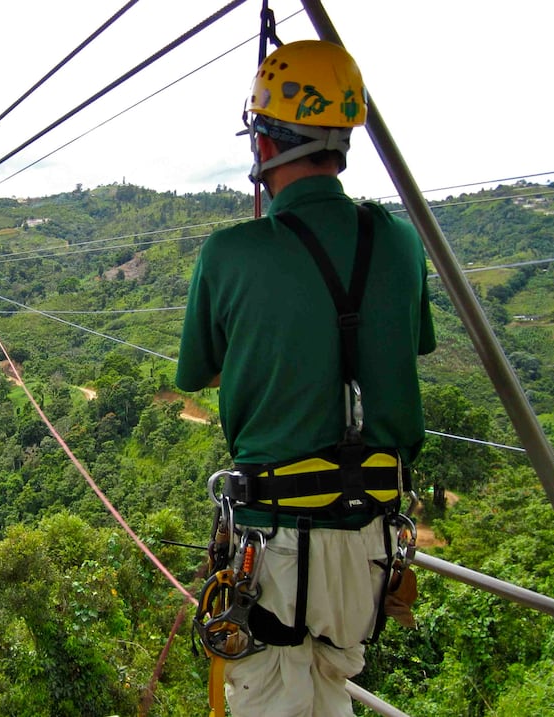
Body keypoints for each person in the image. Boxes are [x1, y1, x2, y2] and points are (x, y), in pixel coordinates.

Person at [176, 40, 436, 716]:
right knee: (327, 685)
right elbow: (405, 345)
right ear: (342, 137)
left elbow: (197, 372)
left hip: (278, 546)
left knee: (276, 694)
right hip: (372, 546)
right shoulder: (399, 242)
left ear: (264, 146)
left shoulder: (231, 253)